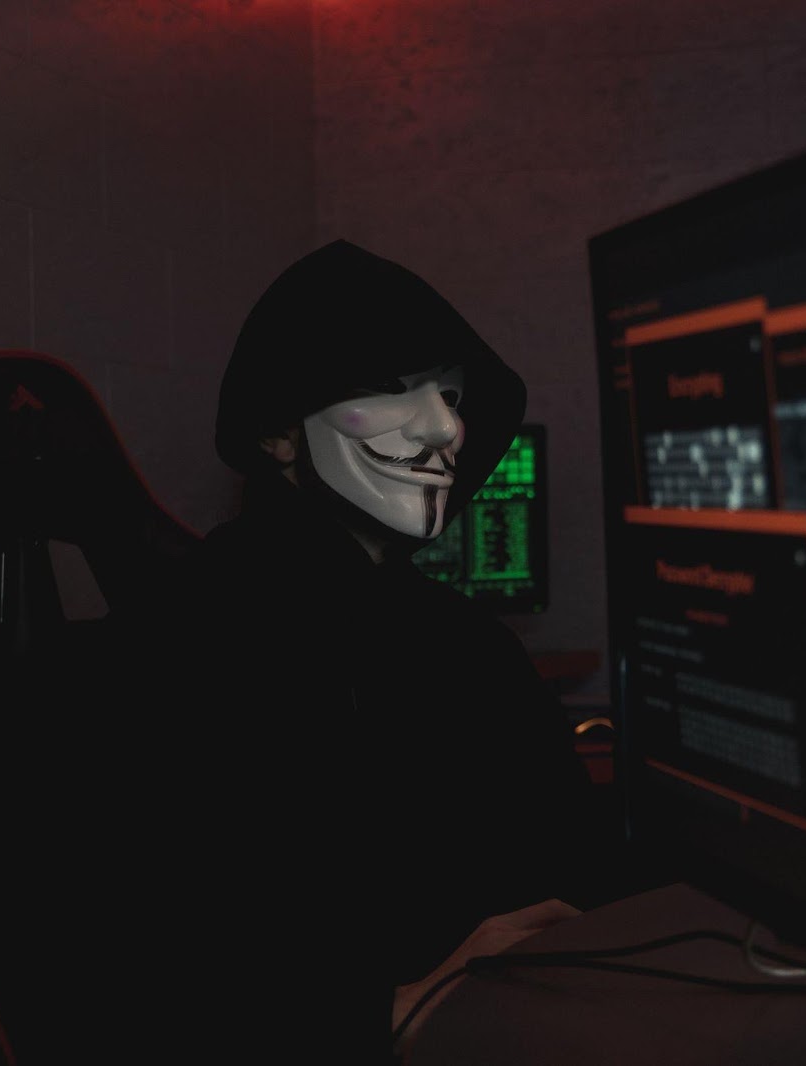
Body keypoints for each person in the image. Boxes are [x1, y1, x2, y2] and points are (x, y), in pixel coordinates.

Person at [162, 240, 603, 1059]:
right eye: (393, 389)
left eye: (450, 394)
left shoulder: (465, 641)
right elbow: (166, 952)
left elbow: (574, 860)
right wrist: (390, 1009)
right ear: (278, 433)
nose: (445, 426)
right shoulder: (196, 637)